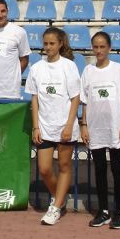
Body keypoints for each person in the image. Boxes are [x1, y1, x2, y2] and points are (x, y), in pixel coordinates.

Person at [80, 31, 120, 229]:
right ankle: (103, 210)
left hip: (114, 128)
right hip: (95, 127)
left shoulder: (118, 70)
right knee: (99, 169)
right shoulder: (88, 71)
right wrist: (84, 125)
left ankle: (119, 211)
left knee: (117, 168)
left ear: (109, 48)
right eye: (95, 47)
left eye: (102, 46)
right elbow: (85, 101)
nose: (99, 50)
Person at [25, 27, 81, 226]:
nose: (48, 47)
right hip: (45, 126)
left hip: (65, 126)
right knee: (45, 169)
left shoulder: (69, 66)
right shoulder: (37, 68)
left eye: (52, 43)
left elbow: (75, 98)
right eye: (45, 43)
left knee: (64, 166)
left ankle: (56, 206)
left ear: (60, 44)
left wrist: (69, 125)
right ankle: (60, 197)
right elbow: (34, 99)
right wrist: (36, 127)